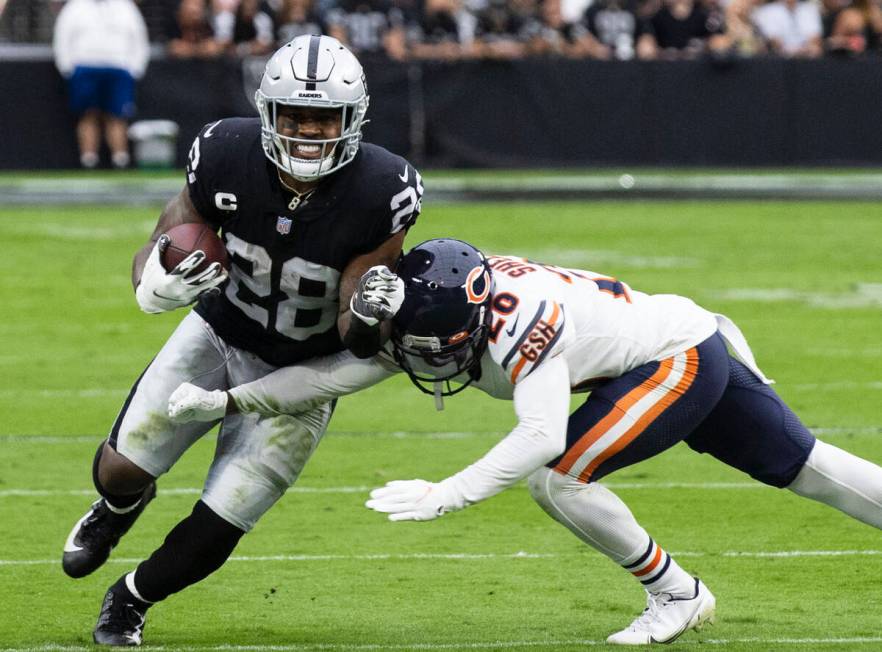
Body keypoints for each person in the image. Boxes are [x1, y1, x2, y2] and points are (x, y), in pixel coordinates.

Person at [169, 238, 882, 645]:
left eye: (445, 348)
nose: (429, 362)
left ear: (478, 321)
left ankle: (677, 594)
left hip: (679, 354)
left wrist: (447, 495)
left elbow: (539, 435)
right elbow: (334, 376)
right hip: (675, 334)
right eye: (416, 348)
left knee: (559, 478)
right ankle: (677, 593)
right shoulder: (428, 305)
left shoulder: (521, 326)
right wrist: (229, 398)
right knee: (809, 469)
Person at [61, 34, 423, 647]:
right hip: (220, 330)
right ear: (267, 114)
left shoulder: (381, 189)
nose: (309, 132)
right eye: (294, 117)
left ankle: (130, 599)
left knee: (221, 520)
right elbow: (168, 234)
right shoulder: (225, 152)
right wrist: (153, 279)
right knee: (118, 470)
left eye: (324, 118)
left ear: (353, 118)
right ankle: (119, 509)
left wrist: (368, 313)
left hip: (302, 370)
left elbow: (354, 333)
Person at [52, 0, 149, 169]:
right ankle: (88, 159)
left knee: (117, 115)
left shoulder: (125, 6)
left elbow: (139, 38)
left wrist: (135, 68)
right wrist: (68, 68)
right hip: (85, 67)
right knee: (88, 114)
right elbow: (62, 36)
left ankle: (120, 159)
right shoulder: (75, 6)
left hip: (118, 67)